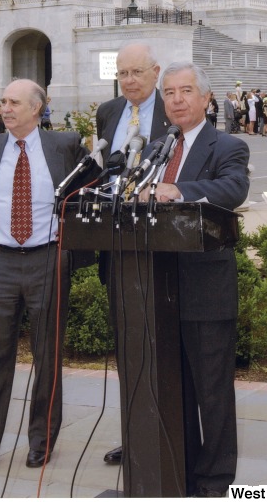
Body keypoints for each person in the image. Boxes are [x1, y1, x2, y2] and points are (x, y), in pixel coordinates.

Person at [0, 79, 97, 479]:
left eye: (14, 102)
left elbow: (92, 189)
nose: (6, 108)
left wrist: (72, 240)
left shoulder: (65, 145)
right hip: (1, 262)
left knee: (47, 356)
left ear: (37, 108)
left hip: (48, 260)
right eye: (3, 101)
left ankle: (42, 442)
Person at [144, 61, 250, 496]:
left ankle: (215, 478)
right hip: (158, 286)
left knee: (212, 390)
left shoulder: (227, 145)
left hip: (205, 287)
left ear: (206, 98)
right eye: (169, 93)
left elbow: (232, 189)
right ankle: (180, 468)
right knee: (174, 388)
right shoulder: (156, 148)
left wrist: (180, 191)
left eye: (186, 91)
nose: (177, 100)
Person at [95, 41, 169, 466]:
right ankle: (134, 431)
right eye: (122, 74)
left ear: (155, 72)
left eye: (137, 72)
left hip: (158, 243)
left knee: (160, 341)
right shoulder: (108, 112)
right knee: (128, 342)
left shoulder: (171, 109)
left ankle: (167, 427)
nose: (129, 81)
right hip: (115, 243)